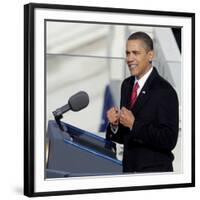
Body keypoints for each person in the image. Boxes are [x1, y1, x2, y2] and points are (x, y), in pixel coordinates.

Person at [106, 31, 179, 173]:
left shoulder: (164, 91)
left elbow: (169, 140)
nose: (130, 58)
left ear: (150, 55)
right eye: (127, 53)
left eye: (135, 53)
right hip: (129, 172)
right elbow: (126, 136)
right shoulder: (126, 85)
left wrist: (134, 124)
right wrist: (115, 124)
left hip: (154, 175)